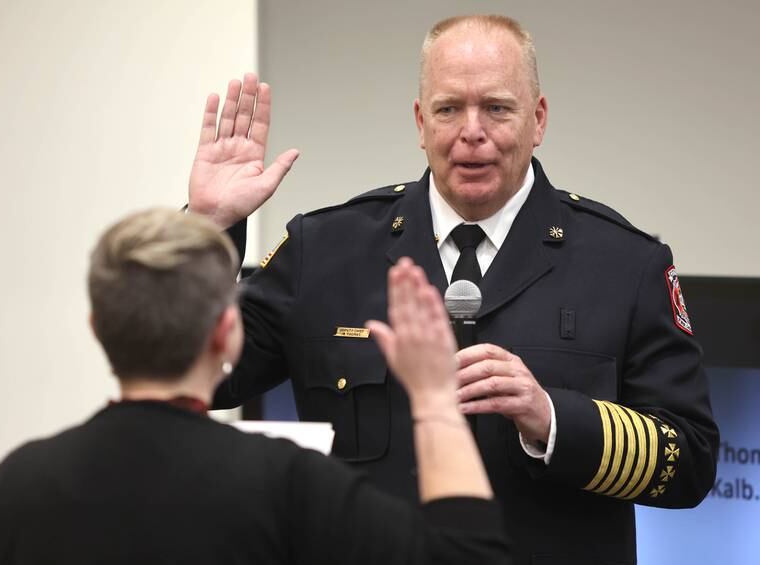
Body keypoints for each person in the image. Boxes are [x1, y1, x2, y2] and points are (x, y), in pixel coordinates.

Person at [189, 15, 719, 565]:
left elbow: (692, 460)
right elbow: (202, 379)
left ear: (537, 119)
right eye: (448, 109)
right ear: (421, 122)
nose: (472, 132)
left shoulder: (624, 264)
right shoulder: (324, 249)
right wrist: (205, 231)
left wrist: (552, 418)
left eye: (496, 107)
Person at [0, 209, 511, 565]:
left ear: (97, 329)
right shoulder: (286, 484)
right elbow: (467, 557)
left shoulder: (16, 489)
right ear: (228, 334)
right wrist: (436, 402)